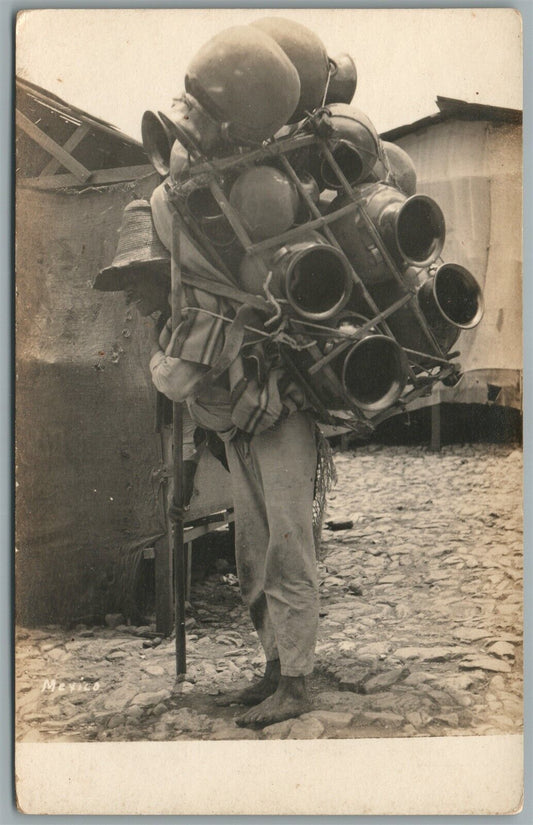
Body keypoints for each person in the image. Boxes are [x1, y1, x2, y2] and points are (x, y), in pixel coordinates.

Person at [148, 189, 325, 728]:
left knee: (287, 551)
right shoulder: (181, 315)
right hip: (244, 435)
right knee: (252, 555)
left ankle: (297, 683)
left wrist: (154, 359)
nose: (132, 296)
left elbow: (178, 382)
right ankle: (275, 667)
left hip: (281, 425)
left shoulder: (205, 307)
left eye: (137, 282)